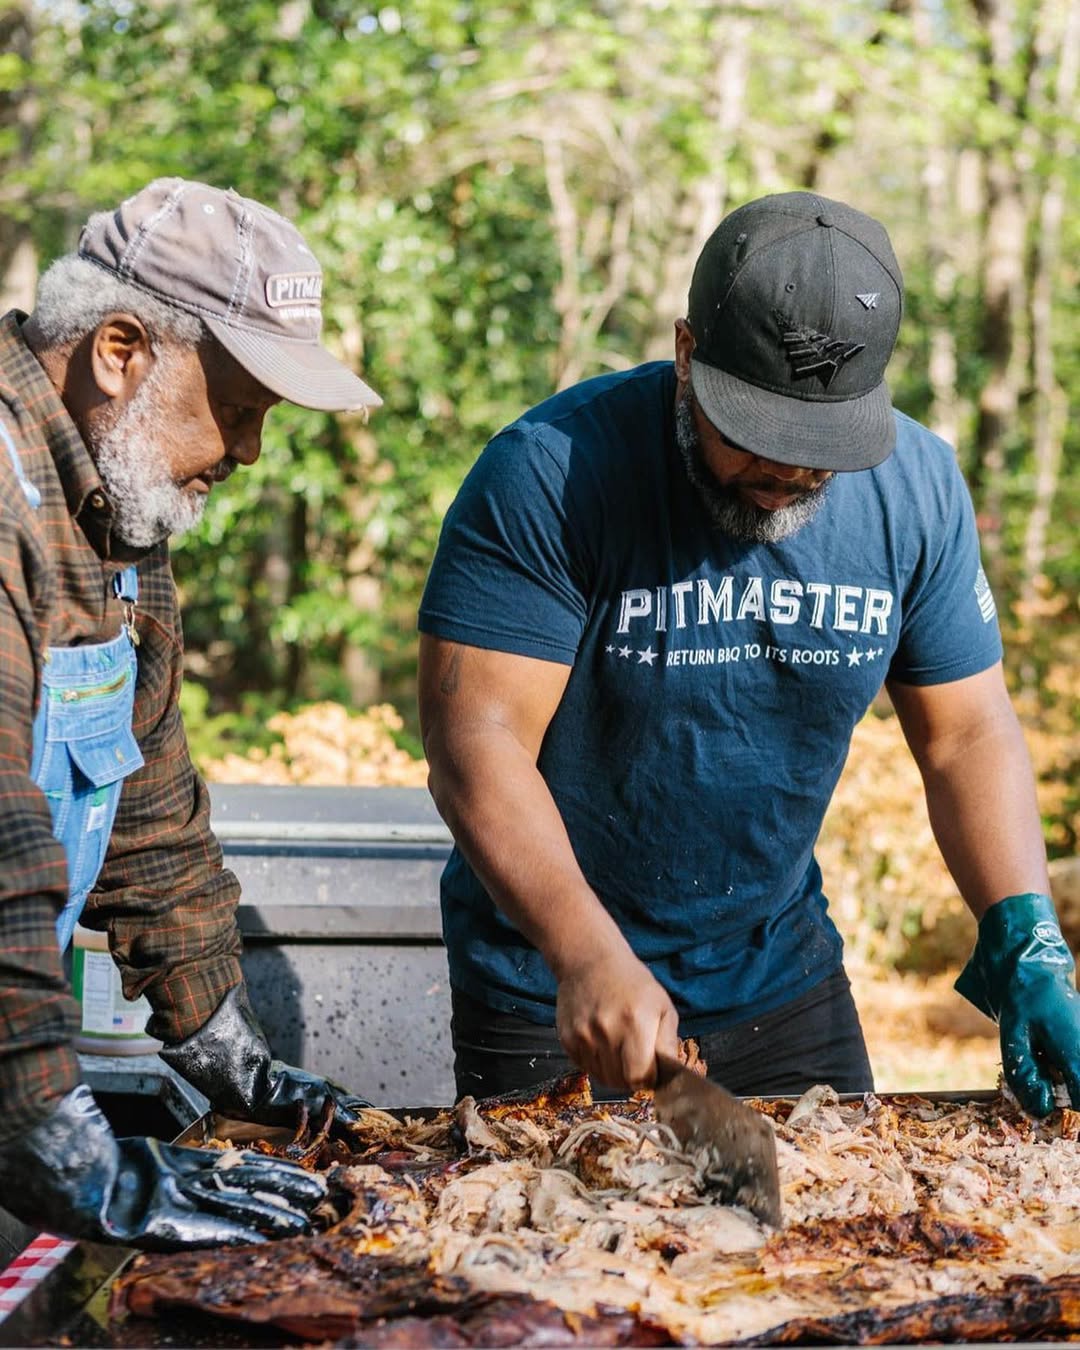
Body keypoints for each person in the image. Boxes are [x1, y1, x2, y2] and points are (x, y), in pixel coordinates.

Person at [417, 190, 1080, 1118]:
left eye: (824, 447)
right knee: (555, 1253)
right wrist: (586, 952)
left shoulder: (918, 492)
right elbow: (476, 746)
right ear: (688, 357)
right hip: (549, 986)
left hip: (782, 981)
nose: (790, 477)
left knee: (845, 1244)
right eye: (759, 436)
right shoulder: (551, 474)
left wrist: (1026, 935)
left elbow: (966, 734)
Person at [0, 177, 383, 1251]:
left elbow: (148, 812)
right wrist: (62, 1144)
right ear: (121, 350)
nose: (252, 451)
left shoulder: (121, 516)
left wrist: (220, 1036)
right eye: (241, 406)